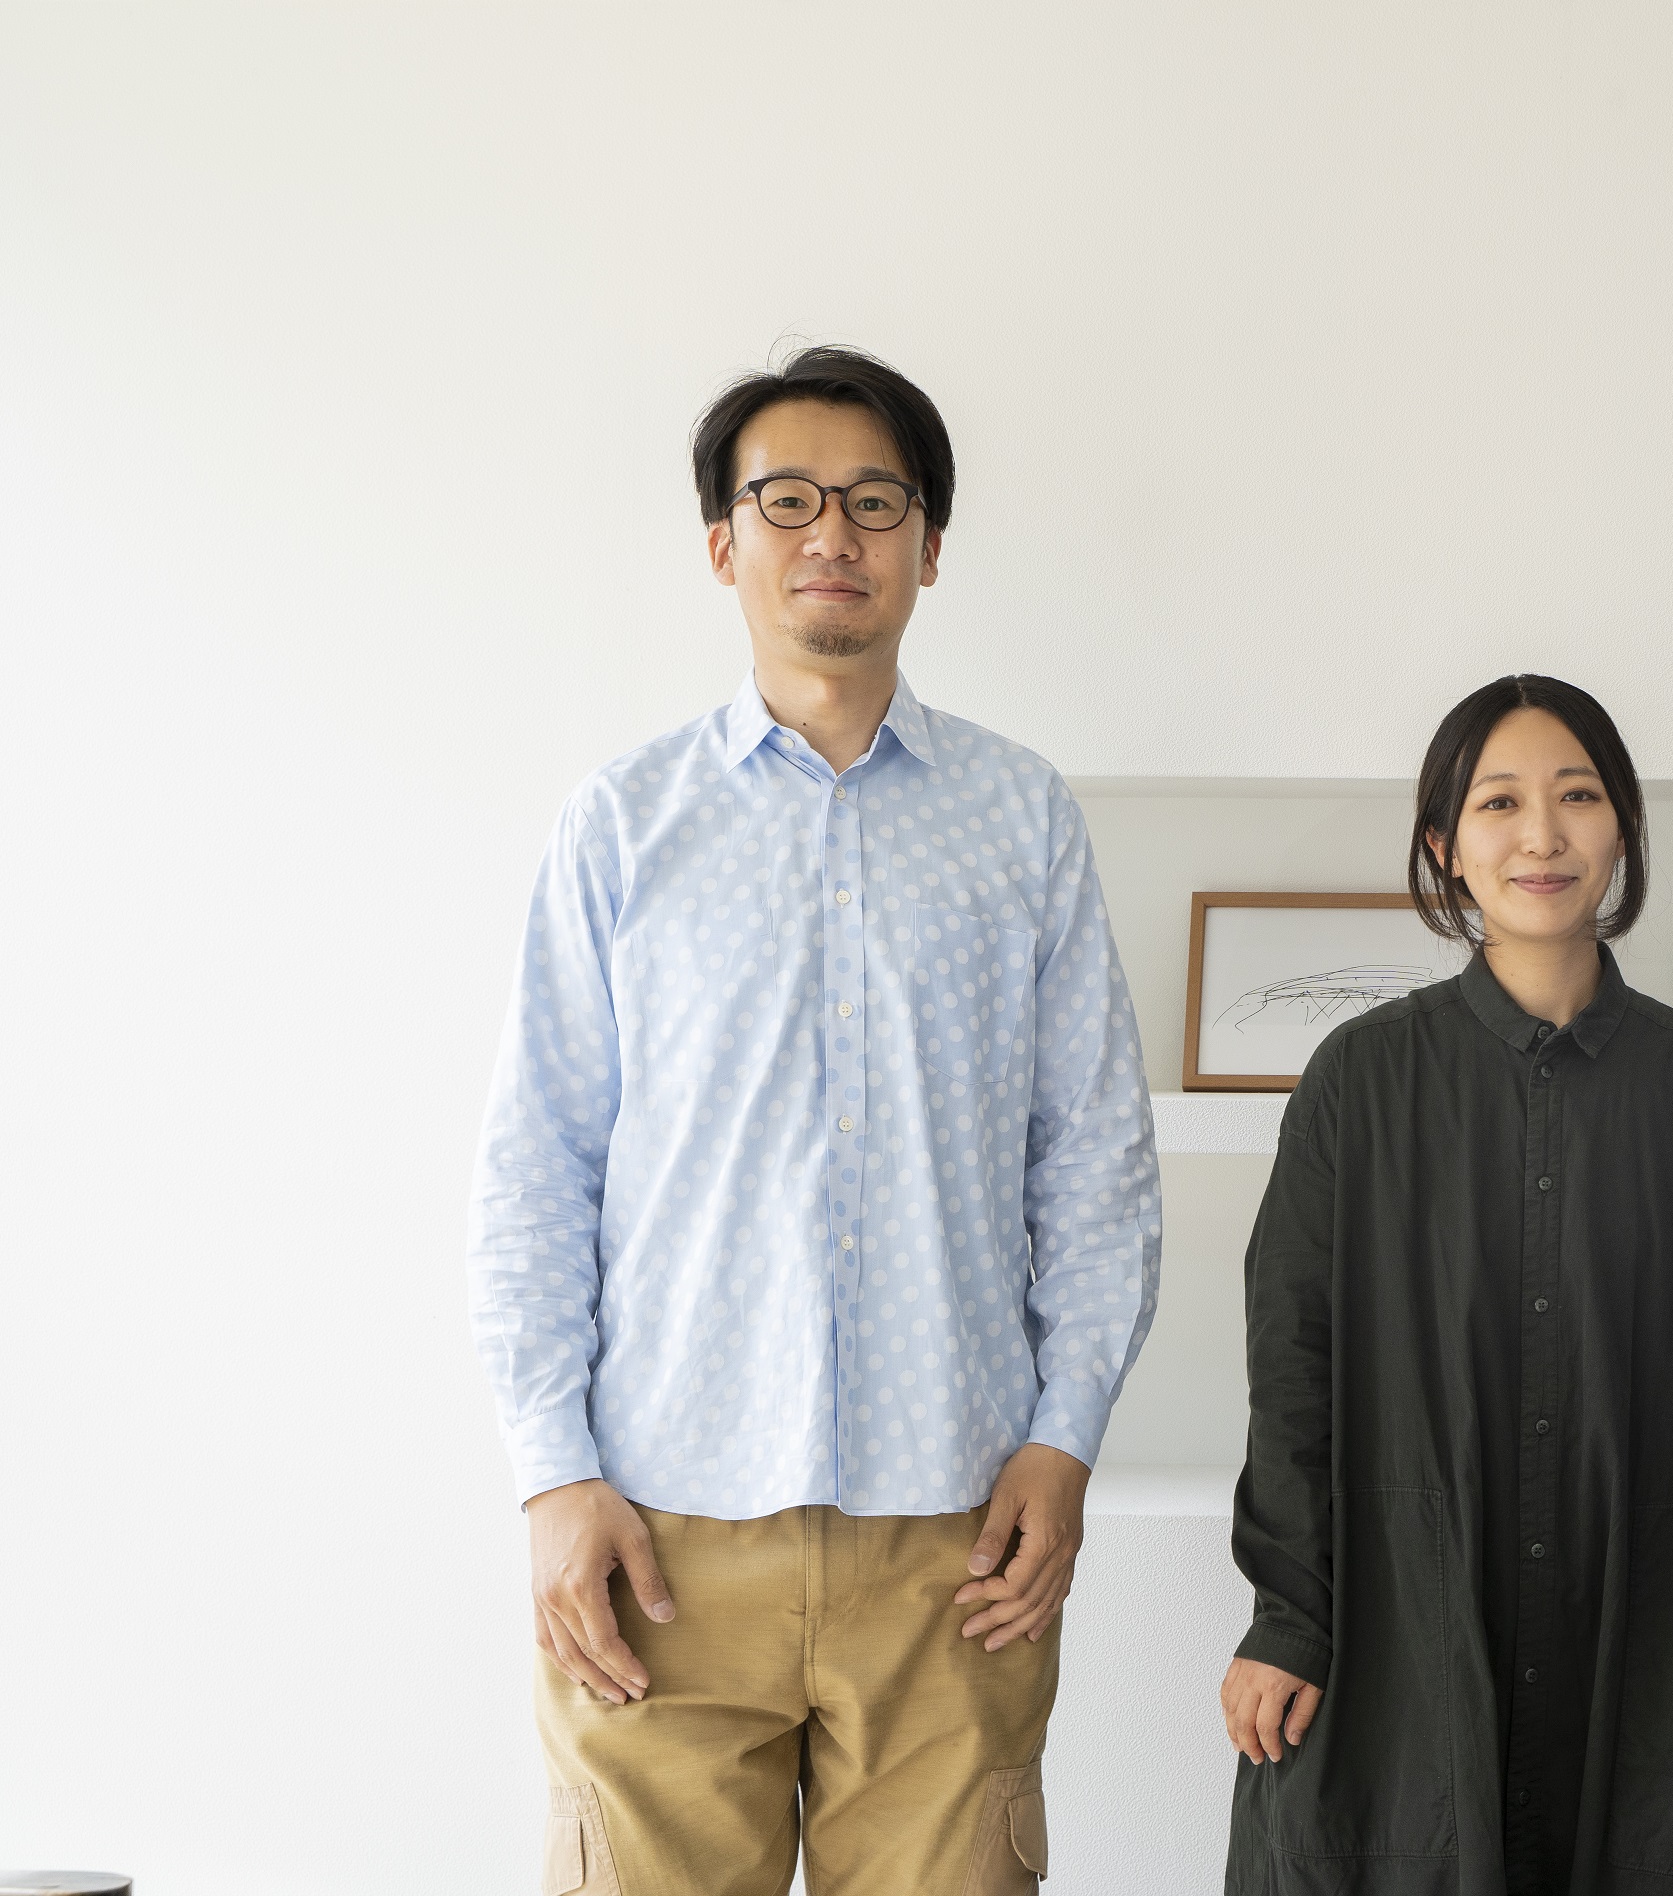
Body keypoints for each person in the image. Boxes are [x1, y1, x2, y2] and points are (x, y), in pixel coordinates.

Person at [469, 345, 1160, 1894]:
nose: (831, 534)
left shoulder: (1022, 818)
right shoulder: (623, 823)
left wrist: (1067, 1437)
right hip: (660, 1537)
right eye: (787, 500)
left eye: (873, 502)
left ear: (930, 545)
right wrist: (552, 1472)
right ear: (724, 544)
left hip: (955, 1540)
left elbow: (1094, 1160)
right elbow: (536, 1167)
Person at [1221, 676, 1673, 1896]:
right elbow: (1292, 1364)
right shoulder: (1360, 1080)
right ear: (1445, 842)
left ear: (1622, 827)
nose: (1542, 835)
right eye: (1499, 803)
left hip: (1637, 1640)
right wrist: (1288, 1615)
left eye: (1577, 796)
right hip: (1393, 1626)